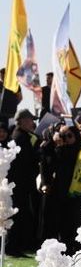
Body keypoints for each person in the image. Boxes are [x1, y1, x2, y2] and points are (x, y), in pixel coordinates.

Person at [7, 109, 38, 256]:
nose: (32, 123)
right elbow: (27, 161)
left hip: (19, 184)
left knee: (19, 216)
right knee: (17, 216)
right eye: (30, 120)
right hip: (19, 184)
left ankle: (15, 246)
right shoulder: (20, 137)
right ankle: (12, 247)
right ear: (23, 121)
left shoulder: (20, 135)